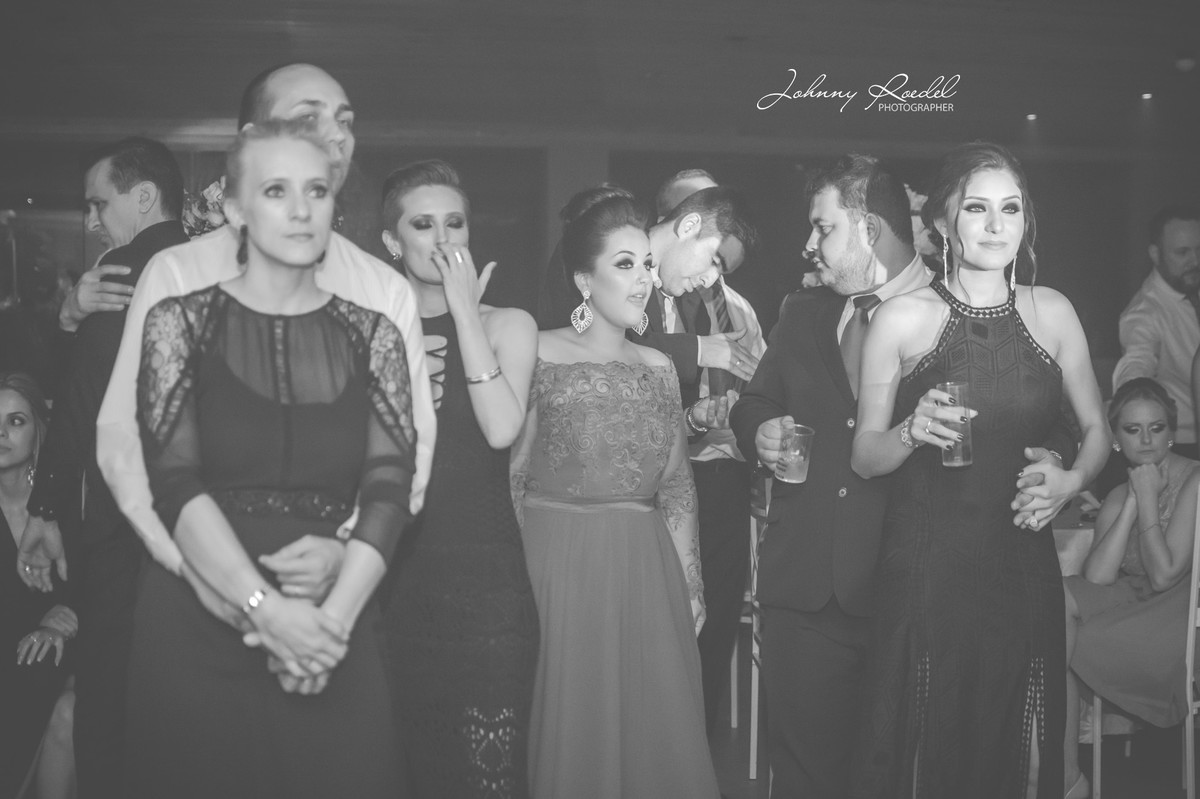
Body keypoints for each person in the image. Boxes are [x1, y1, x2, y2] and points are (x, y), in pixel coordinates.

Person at [16, 64, 434, 608]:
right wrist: (204, 573)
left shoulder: (382, 290)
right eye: (310, 116)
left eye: (346, 120)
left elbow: (408, 452)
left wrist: (348, 558)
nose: (336, 133)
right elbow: (123, 439)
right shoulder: (176, 274)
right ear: (251, 141)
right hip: (194, 589)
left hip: (335, 590)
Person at [124, 119, 413, 797]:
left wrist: (330, 628)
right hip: (201, 619)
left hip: (334, 617)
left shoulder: (373, 335)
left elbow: (389, 486)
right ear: (234, 208)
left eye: (318, 190)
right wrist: (266, 610)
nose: (301, 208)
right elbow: (173, 480)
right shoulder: (178, 323)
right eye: (276, 190)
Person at [848, 142, 1109, 798]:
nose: (996, 225)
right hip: (925, 563)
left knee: (1025, 755)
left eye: (1010, 209)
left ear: (1026, 221)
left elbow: (1098, 431)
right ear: (943, 222)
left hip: (1019, 563)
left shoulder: (1054, 311)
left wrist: (1071, 480)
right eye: (977, 209)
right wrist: (909, 430)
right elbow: (865, 456)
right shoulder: (903, 318)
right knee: (922, 754)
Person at [730, 153, 933, 797]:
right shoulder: (803, 312)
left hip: (910, 591)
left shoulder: (952, 311)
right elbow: (755, 401)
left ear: (869, 229)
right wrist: (758, 431)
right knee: (803, 778)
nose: (808, 243)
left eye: (823, 227)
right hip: (804, 589)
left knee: (897, 778)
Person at [511, 186, 720, 799]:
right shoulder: (537, 352)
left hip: (646, 569)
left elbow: (677, 482)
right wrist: (514, 579)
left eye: (647, 265)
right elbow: (513, 476)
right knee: (573, 728)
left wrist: (691, 581)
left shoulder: (660, 367)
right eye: (624, 265)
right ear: (584, 280)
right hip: (558, 565)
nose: (644, 279)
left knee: (653, 737)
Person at [19, 136, 188, 798]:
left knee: (107, 704)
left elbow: (82, 403)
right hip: (203, 523)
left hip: (124, 521)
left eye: (98, 204)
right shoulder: (212, 262)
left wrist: (44, 508)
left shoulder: (124, 268)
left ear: (143, 198)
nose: (91, 222)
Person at [377, 160, 539, 798]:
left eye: (455, 223)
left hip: (486, 591)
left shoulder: (509, 324)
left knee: (488, 781)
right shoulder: (370, 328)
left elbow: (500, 429)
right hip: (390, 585)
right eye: (423, 225)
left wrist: (465, 314)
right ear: (392, 241)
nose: (442, 239)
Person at [653, 168, 767, 732]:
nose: (711, 275)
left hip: (720, 474)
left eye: (725, 265)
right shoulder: (641, 287)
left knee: (716, 610)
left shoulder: (739, 311)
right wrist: (699, 353)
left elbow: (759, 390)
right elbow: (609, 350)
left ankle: (696, 735)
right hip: (655, 476)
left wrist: (738, 417)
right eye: (713, 257)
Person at [1062, 378, 1200, 799]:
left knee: (1054, 641)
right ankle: (1066, 775)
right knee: (1053, 605)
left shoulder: (1196, 481)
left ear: (1171, 432)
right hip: (1131, 600)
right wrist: (1133, 503)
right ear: (1116, 440)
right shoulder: (1120, 492)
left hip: (1176, 615)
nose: (1146, 440)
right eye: (1132, 430)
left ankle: (1062, 777)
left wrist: (1148, 498)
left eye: (1156, 428)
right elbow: (1097, 578)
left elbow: (1164, 576)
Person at [1, 373, 74, 798]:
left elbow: (99, 583)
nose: (1, 432)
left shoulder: (63, 501)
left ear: (38, 433)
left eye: (16, 421)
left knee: (45, 673)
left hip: (65, 650)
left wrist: (65, 620)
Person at [1113, 205, 1200, 459]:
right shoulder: (1143, 313)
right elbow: (1136, 365)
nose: (1195, 261)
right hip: (1185, 448)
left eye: (1199, 250)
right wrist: (1133, 398)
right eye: (1182, 252)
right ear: (1155, 254)